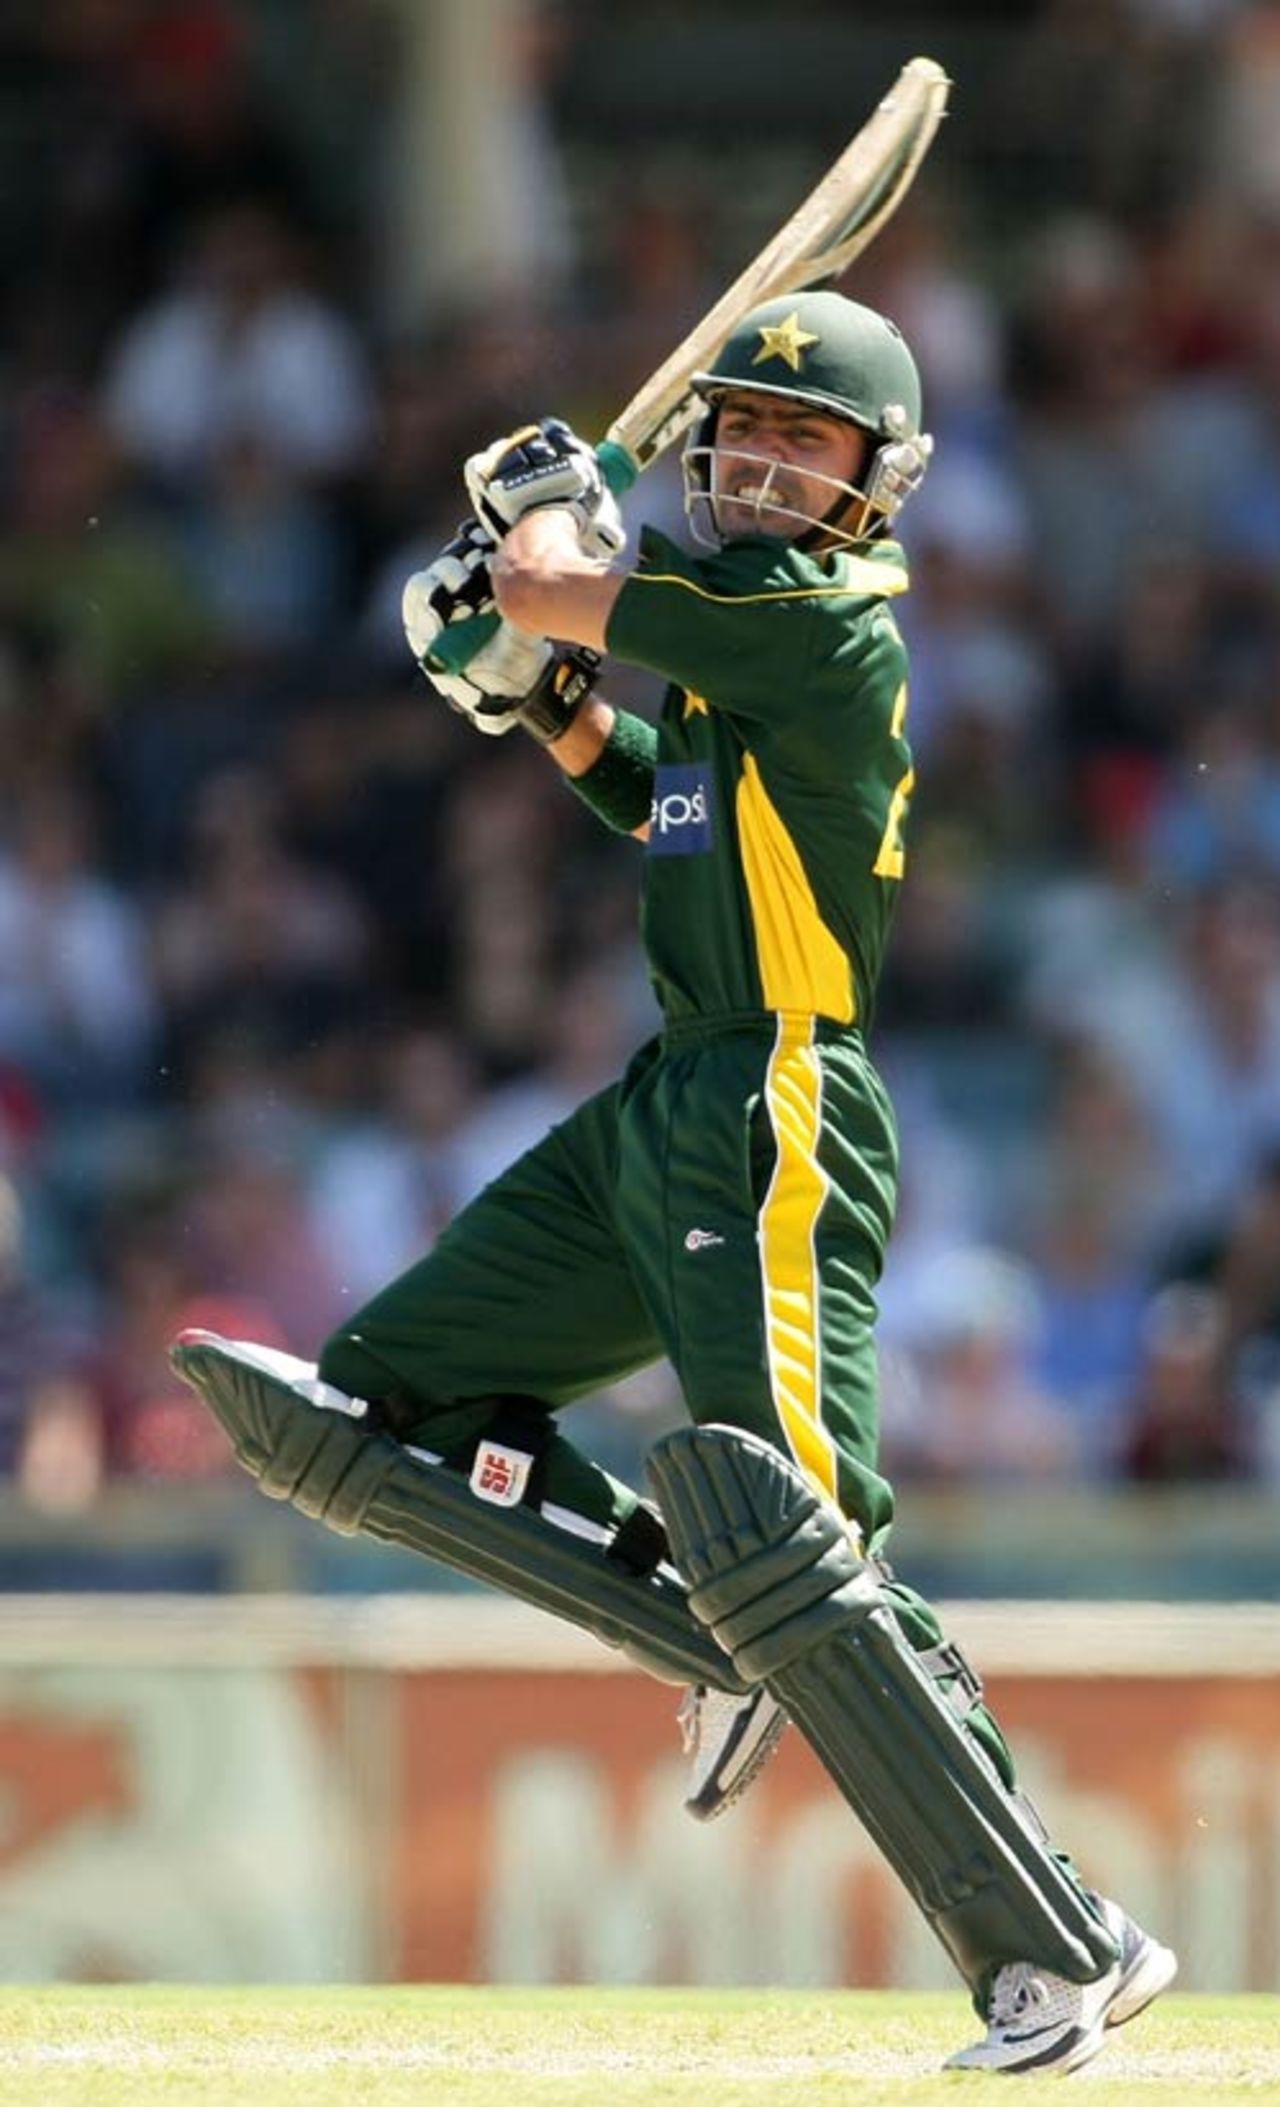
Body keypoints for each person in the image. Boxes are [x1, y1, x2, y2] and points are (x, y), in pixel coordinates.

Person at [173, 290, 1176, 2073]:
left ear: (882, 484)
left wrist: (540, 525)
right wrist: (544, 704)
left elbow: (571, 576)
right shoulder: (728, 663)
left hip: (780, 1096)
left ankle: (1061, 1944)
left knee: (795, 1531)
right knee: (378, 1407)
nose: (773, 465)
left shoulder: (823, 624)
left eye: (814, 443)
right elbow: (670, 810)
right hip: (670, 1094)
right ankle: (716, 1644)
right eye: (754, 435)